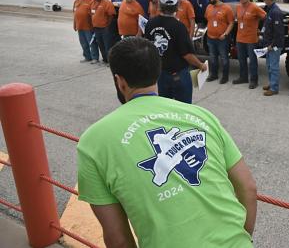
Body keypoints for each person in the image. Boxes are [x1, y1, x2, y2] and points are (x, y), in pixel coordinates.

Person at [77, 37, 257, 248]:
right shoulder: (202, 115)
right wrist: (241, 237)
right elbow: (248, 188)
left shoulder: (93, 142)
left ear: (120, 81)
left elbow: (118, 240)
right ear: (157, 72)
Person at [143, 0, 207, 104]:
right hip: (178, 75)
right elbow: (187, 54)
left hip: (160, 73)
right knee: (183, 108)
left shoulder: (150, 24)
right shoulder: (179, 27)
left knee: (166, 108)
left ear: (160, 5)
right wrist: (201, 65)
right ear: (176, 6)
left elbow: (147, 48)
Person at [233, 0, 266, 89]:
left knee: (252, 61)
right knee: (241, 59)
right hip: (240, 38)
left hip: (251, 39)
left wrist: (261, 29)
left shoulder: (255, 7)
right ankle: (243, 77)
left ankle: (253, 80)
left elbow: (265, 17)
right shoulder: (238, 7)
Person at [204, 0, 234, 84]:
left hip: (222, 39)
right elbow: (207, 18)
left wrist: (225, 34)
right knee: (212, 58)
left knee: (224, 58)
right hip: (210, 37)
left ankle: (225, 77)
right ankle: (214, 75)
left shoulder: (227, 8)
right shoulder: (209, 7)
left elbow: (231, 22)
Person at [260, 0, 284, 96]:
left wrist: (272, 45)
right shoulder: (270, 9)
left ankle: (274, 88)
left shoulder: (275, 12)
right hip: (269, 44)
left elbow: (279, 33)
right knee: (269, 65)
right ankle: (271, 83)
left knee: (273, 67)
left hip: (273, 45)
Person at [73, 0, 99, 64]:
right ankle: (87, 57)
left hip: (89, 27)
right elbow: (74, 14)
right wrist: (74, 25)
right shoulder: (76, 1)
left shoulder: (91, 1)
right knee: (83, 43)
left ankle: (95, 58)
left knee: (91, 43)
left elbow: (94, 14)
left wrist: (94, 25)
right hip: (80, 27)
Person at [91, 0, 116, 65]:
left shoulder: (107, 2)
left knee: (107, 45)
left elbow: (111, 15)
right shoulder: (93, 3)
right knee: (100, 44)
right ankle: (105, 60)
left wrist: (107, 25)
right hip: (96, 28)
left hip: (105, 28)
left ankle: (110, 61)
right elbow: (91, 14)